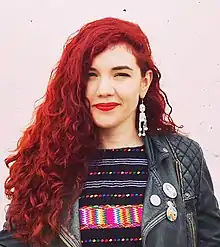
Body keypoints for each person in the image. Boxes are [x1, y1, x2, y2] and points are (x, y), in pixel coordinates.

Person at [0, 16, 220, 247]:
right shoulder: (48, 160)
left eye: (121, 74)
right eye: (91, 75)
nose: (104, 89)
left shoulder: (182, 158)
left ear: (144, 83)